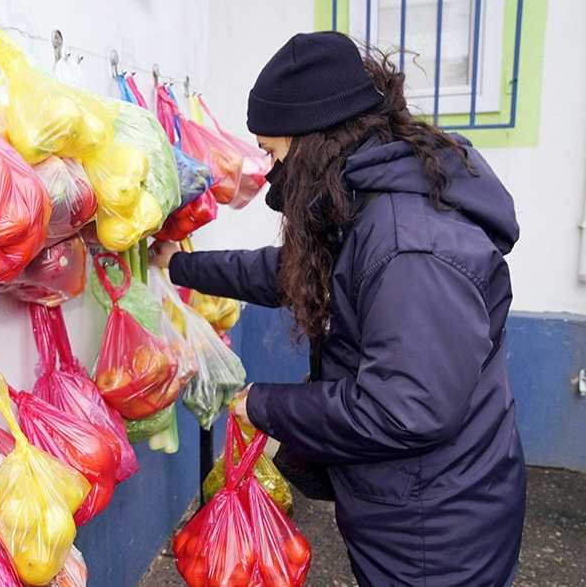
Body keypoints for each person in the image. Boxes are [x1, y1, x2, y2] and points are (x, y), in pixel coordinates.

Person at [151, 31, 526, 586]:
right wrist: (177, 266)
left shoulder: (408, 246)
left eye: (273, 153)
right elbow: (294, 271)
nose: (270, 172)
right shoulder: (366, 202)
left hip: (436, 537)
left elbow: (403, 409)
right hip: (411, 505)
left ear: (312, 142)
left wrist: (268, 407)